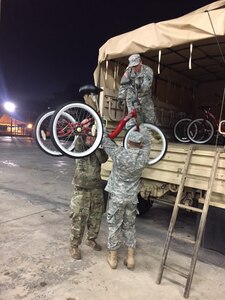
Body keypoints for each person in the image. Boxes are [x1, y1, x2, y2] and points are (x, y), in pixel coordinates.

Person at [101, 125, 150, 270]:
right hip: (132, 198)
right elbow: (148, 142)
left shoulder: (119, 153)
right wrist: (141, 127)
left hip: (117, 196)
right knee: (129, 226)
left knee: (114, 226)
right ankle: (130, 258)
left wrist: (102, 126)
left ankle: (113, 258)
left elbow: (105, 141)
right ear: (140, 144)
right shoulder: (143, 156)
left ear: (128, 142)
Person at [69, 126, 108, 260]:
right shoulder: (80, 148)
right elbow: (77, 137)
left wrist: (96, 144)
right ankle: (74, 246)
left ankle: (91, 239)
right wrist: (82, 131)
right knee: (78, 217)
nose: (90, 138)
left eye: (93, 136)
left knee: (96, 216)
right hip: (81, 188)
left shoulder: (98, 149)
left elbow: (103, 159)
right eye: (89, 136)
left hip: (96, 187)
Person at [117, 53, 156, 127]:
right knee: (132, 120)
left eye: (135, 66)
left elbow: (146, 87)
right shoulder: (128, 71)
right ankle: (131, 136)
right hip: (132, 99)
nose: (134, 68)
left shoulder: (148, 71)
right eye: (132, 66)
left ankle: (151, 136)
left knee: (150, 120)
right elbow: (123, 84)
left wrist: (136, 84)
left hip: (145, 98)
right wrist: (121, 97)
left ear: (140, 62)